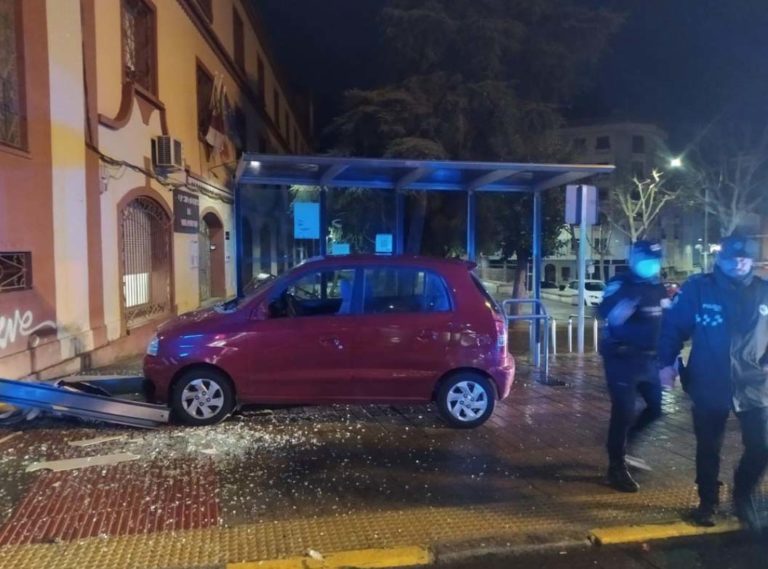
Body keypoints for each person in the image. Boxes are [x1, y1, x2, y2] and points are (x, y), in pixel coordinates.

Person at [658, 233, 768, 530]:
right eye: (733, 257)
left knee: (762, 445)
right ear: (720, 258)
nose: (739, 263)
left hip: (755, 384)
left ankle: (743, 494)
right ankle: (708, 502)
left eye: (744, 258)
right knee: (709, 447)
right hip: (709, 381)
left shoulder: (764, 291)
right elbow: (673, 327)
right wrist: (665, 363)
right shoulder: (699, 288)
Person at [598, 240, 668, 492]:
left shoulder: (657, 286)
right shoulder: (620, 283)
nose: (652, 264)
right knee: (624, 411)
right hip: (622, 359)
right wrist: (619, 311)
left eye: (656, 260)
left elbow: (665, 320)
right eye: (647, 258)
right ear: (634, 258)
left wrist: (669, 360)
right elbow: (604, 311)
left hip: (649, 359)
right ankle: (615, 467)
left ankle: (627, 445)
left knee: (656, 409)